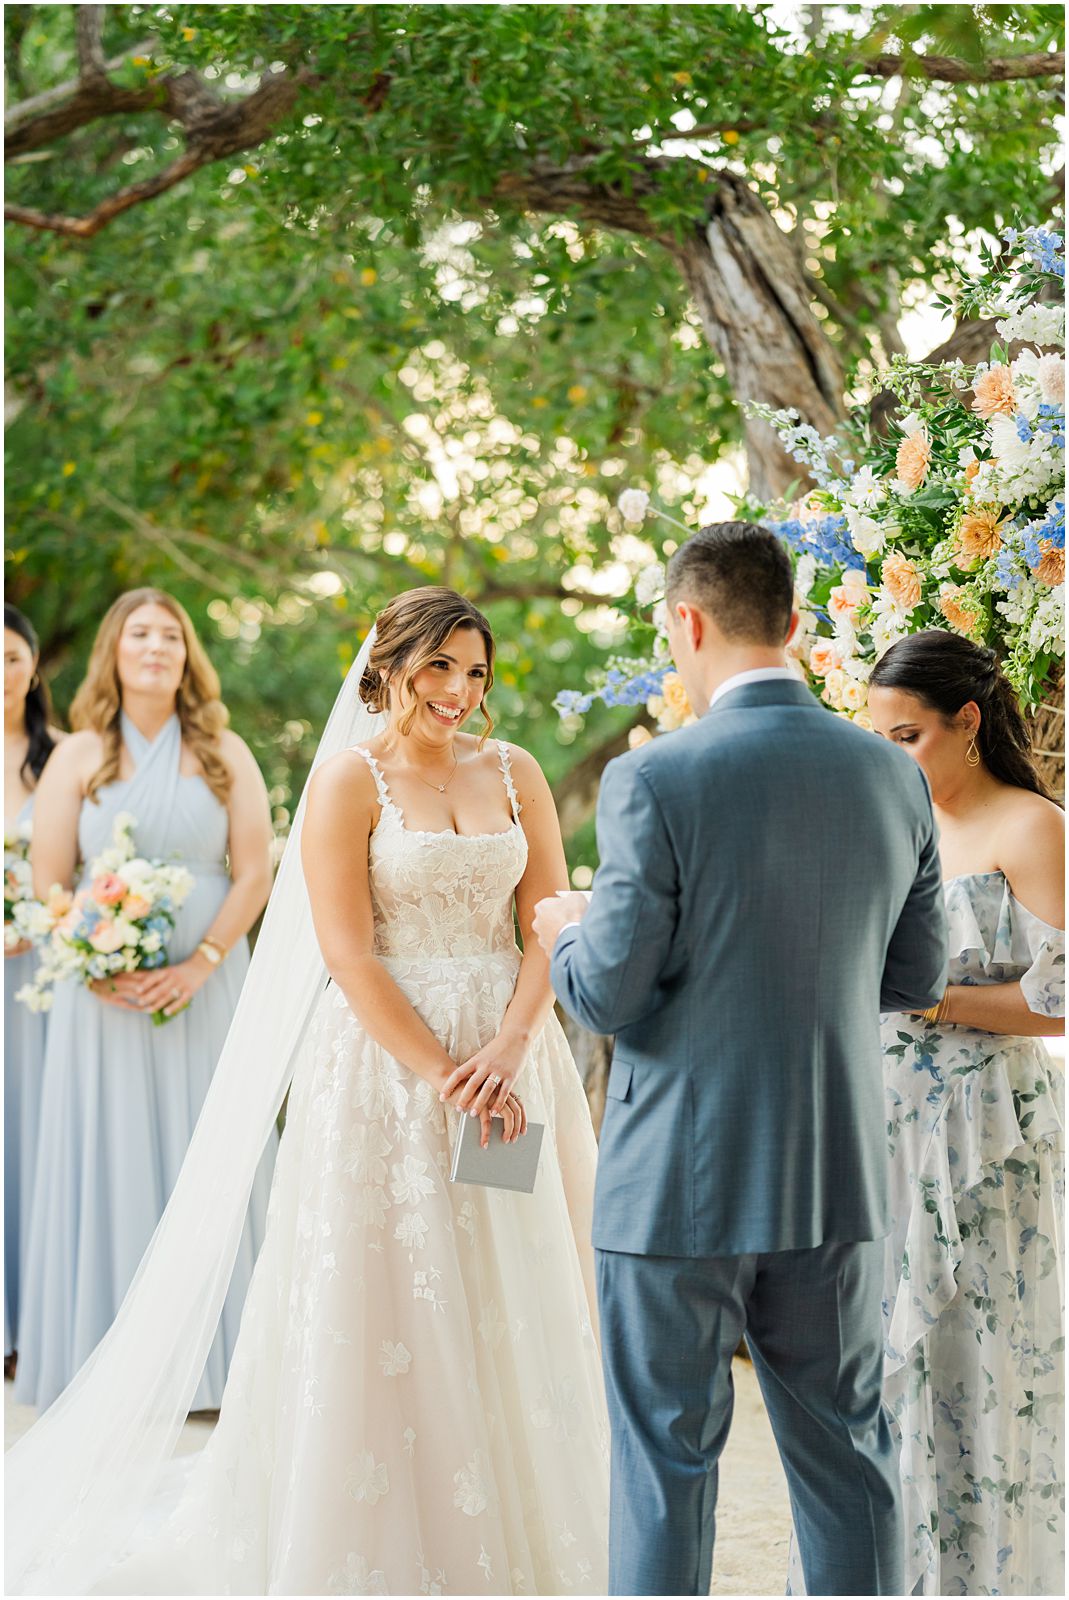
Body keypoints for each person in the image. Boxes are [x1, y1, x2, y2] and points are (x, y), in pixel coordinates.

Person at [7, 587, 608, 1596]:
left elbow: (547, 916)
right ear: (388, 665)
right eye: (439, 667)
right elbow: (347, 951)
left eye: (475, 671)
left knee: (515, 1282)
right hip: (386, 1071)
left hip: (511, 1059)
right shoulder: (348, 779)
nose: (459, 691)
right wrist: (442, 1075)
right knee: (395, 1307)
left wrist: (507, 1045)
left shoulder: (517, 772)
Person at [534, 521, 949, 1597]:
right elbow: (912, 976)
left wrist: (562, 931)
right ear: (796, 625)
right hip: (832, 1174)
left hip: (678, 1180)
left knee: (666, 1467)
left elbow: (609, 991)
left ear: (687, 621)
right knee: (847, 1459)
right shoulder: (893, 775)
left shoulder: (656, 779)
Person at [14, 589, 277, 1413]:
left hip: (205, 987)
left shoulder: (222, 749)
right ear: (114, 652)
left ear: (188, 653)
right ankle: (107, 1360)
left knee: (210, 1149)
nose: (156, 646)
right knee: (113, 1150)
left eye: (171, 633)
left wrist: (202, 962)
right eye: (140, 633)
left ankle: (225, 1361)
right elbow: (47, 880)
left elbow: (256, 870)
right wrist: (87, 958)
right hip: (102, 1000)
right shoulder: (78, 755)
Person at [865, 630, 1064, 1597]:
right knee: (883, 1356)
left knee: (976, 1354)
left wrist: (929, 1000)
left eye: (907, 736)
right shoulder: (893, 824)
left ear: (967, 723)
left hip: (988, 1126)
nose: (892, 757)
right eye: (879, 739)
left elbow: (1060, 997)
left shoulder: (1031, 827)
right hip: (884, 1115)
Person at [4, 605, 64, 1379]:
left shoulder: (63, 759)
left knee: (33, 1132)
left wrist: (34, 922)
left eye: (12, 655)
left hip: (42, 969)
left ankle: (36, 1323)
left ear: (34, 666)